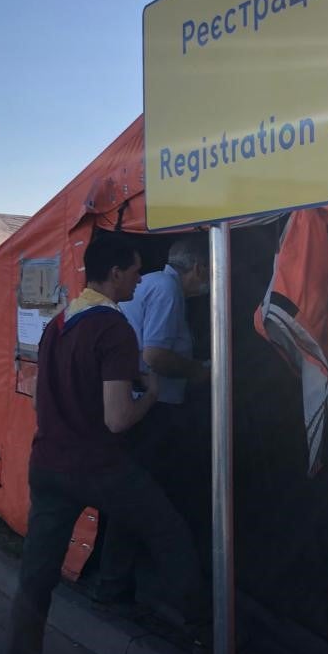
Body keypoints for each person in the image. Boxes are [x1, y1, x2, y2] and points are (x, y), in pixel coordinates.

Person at [2, 233, 211, 654]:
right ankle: (208, 640)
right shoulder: (113, 328)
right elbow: (117, 419)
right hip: (99, 467)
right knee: (169, 531)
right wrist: (152, 395)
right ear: (115, 273)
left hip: (47, 466)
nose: (141, 280)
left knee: (33, 591)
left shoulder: (57, 324)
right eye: (136, 270)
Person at [92, 235, 212, 607]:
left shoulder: (155, 287)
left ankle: (115, 582)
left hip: (140, 408)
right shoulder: (167, 290)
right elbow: (156, 355)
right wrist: (202, 372)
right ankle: (124, 587)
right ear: (199, 267)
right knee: (148, 505)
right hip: (153, 413)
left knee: (132, 498)